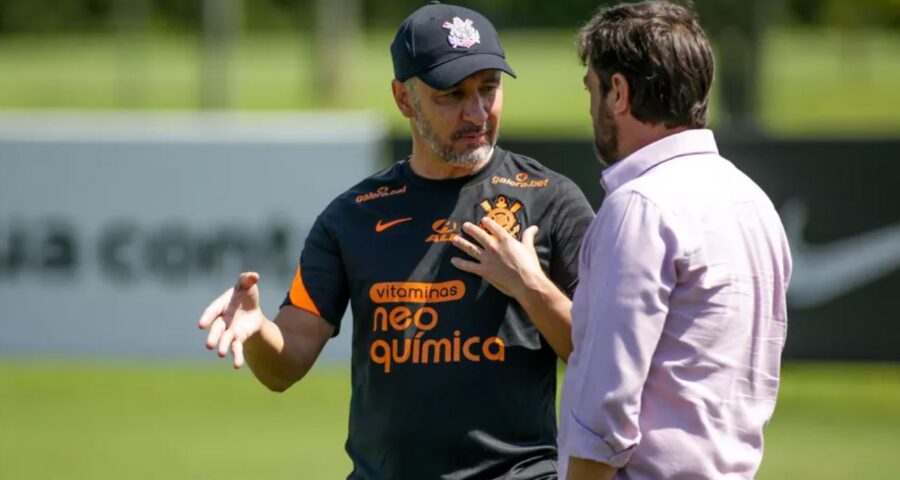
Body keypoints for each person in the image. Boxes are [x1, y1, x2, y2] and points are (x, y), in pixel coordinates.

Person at [197, 2, 595, 479]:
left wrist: (530, 286)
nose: (477, 112)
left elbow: (599, 353)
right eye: (452, 94)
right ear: (404, 99)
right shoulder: (353, 216)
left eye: (489, 89)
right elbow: (287, 364)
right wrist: (258, 328)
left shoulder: (551, 200)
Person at [457, 2, 792, 479]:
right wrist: (532, 285)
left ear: (619, 91)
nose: (590, 103)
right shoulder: (752, 200)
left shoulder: (640, 206)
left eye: (592, 87)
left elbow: (606, 406)